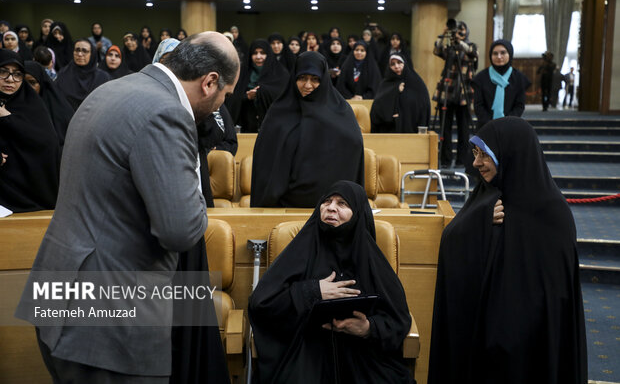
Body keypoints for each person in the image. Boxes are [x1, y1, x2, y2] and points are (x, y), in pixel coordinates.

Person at [16, 32, 240, 383]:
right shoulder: (167, 112)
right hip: (110, 323)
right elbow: (180, 229)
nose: (220, 106)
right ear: (210, 82)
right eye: (225, 95)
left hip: (62, 300)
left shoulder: (112, 89)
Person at [428, 116, 587, 384]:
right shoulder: (486, 196)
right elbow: (451, 244)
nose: (476, 163)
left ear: (510, 153)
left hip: (531, 349)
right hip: (484, 343)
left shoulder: (552, 215)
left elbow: (555, 299)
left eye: (484, 155)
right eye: (475, 153)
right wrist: (477, 222)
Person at [249, 180, 413, 384]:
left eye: (342, 204)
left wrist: (369, 328)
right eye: (326, 201)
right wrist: (312, 290)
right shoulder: (302, 248)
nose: (331, 208)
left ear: (358, 213)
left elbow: (398, 319)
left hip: (362, 354)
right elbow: (261, 303)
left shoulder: (370, 258)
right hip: (306, 349)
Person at [250, 51, 364, 207]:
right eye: (302, 78)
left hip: (330, 209)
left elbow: (354, 144)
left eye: (315, 79)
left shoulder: (341, 111)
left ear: (324, 80)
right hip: (281, 208)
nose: (308, 85)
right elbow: (264, 163)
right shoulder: (278, 113)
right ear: (294, 78)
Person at [0, 49, 61, 212]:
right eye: (3, 72)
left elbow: (47, 144)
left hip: (28, 197)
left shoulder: (31, 103)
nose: (10, 79)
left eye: (17, 74)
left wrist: (8, 118)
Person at [432, 20, 478, 168]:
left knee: (463, 129)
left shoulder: (470, 46)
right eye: (456, 30)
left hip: (463, 93)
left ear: (466, 32)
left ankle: (461, 160)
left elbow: (473, 54)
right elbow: (437, 50)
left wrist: (460, 42)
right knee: (444, 127)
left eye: (462, 30)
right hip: (447, 92)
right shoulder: (449, 47)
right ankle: (445, 160)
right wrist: (444, 33)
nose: (459, 32)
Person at [225, 39, 288, 132]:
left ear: (269, 55)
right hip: (247, 126)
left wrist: (262, 92)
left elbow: (285, 98)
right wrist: (246, 96)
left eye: (262, 53)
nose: (258, 57)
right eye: (255, 53)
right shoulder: (242, 73)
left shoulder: (280, 73)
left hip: (273, 127)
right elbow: (230, 98)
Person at [472, 39, 531, 130]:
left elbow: (519, 106)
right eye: (495, 53)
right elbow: (478, 105)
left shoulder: (519, 78)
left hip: (511, 127)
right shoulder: (481, 78)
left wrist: (506, 123)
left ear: (510, 54)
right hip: (485, 127)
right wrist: (490, 124)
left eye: (503, 53)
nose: (499, 57)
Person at [371, 54, 430, 133]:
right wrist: (395, 91)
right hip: (390, 128)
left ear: (404, 64)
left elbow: (423, 104)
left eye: (399, 63)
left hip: (412, 127)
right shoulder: (385, 84)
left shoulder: (416, 82)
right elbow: (377, 106)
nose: (396, 66)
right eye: (393, 64)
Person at [24, 60, 74, 146]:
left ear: (42, 84)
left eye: (32, 82)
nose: (27, 88)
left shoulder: (60, 111)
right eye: (23, 83)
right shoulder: (10, 107)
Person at [55, 39, 111, 111]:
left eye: (84, 51)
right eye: (77, 50)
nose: (80, 54)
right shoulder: (63, 74)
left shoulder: (103, 78)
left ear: (92, 54)